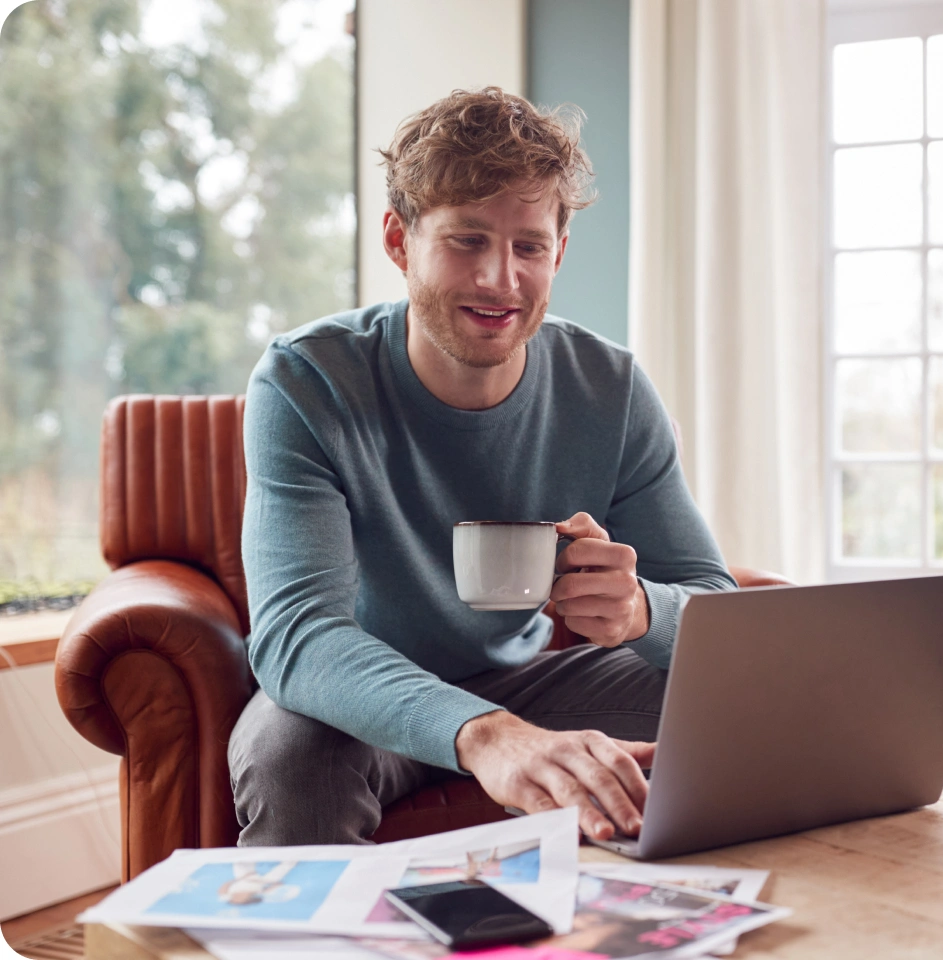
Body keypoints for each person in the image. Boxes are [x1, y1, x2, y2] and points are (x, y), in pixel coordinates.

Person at [228, 86, 737, 847]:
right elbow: (300, 635)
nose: (501, 279)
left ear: (558, 251)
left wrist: (637, 610)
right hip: (359, 694)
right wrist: (488, 735)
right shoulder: (308, 381)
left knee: (769, 707)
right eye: (467, 240)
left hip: (536, 681)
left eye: (529, 246)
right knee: (289, 755)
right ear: (399, 241)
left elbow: (715, 613)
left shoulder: (612, 388)